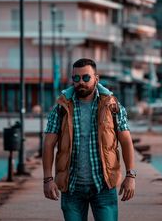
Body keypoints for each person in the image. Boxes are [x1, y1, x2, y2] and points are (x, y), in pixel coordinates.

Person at [42, 58, 136, 221]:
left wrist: (130, 176)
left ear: (96, 79)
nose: (81, 82)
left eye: (86, 78)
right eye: (76, 78)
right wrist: (48, 179)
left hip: (104, 186)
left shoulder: (112, 105)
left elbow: (126, 141)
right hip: (71, 187)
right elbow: (49, 144)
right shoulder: (61, 107)